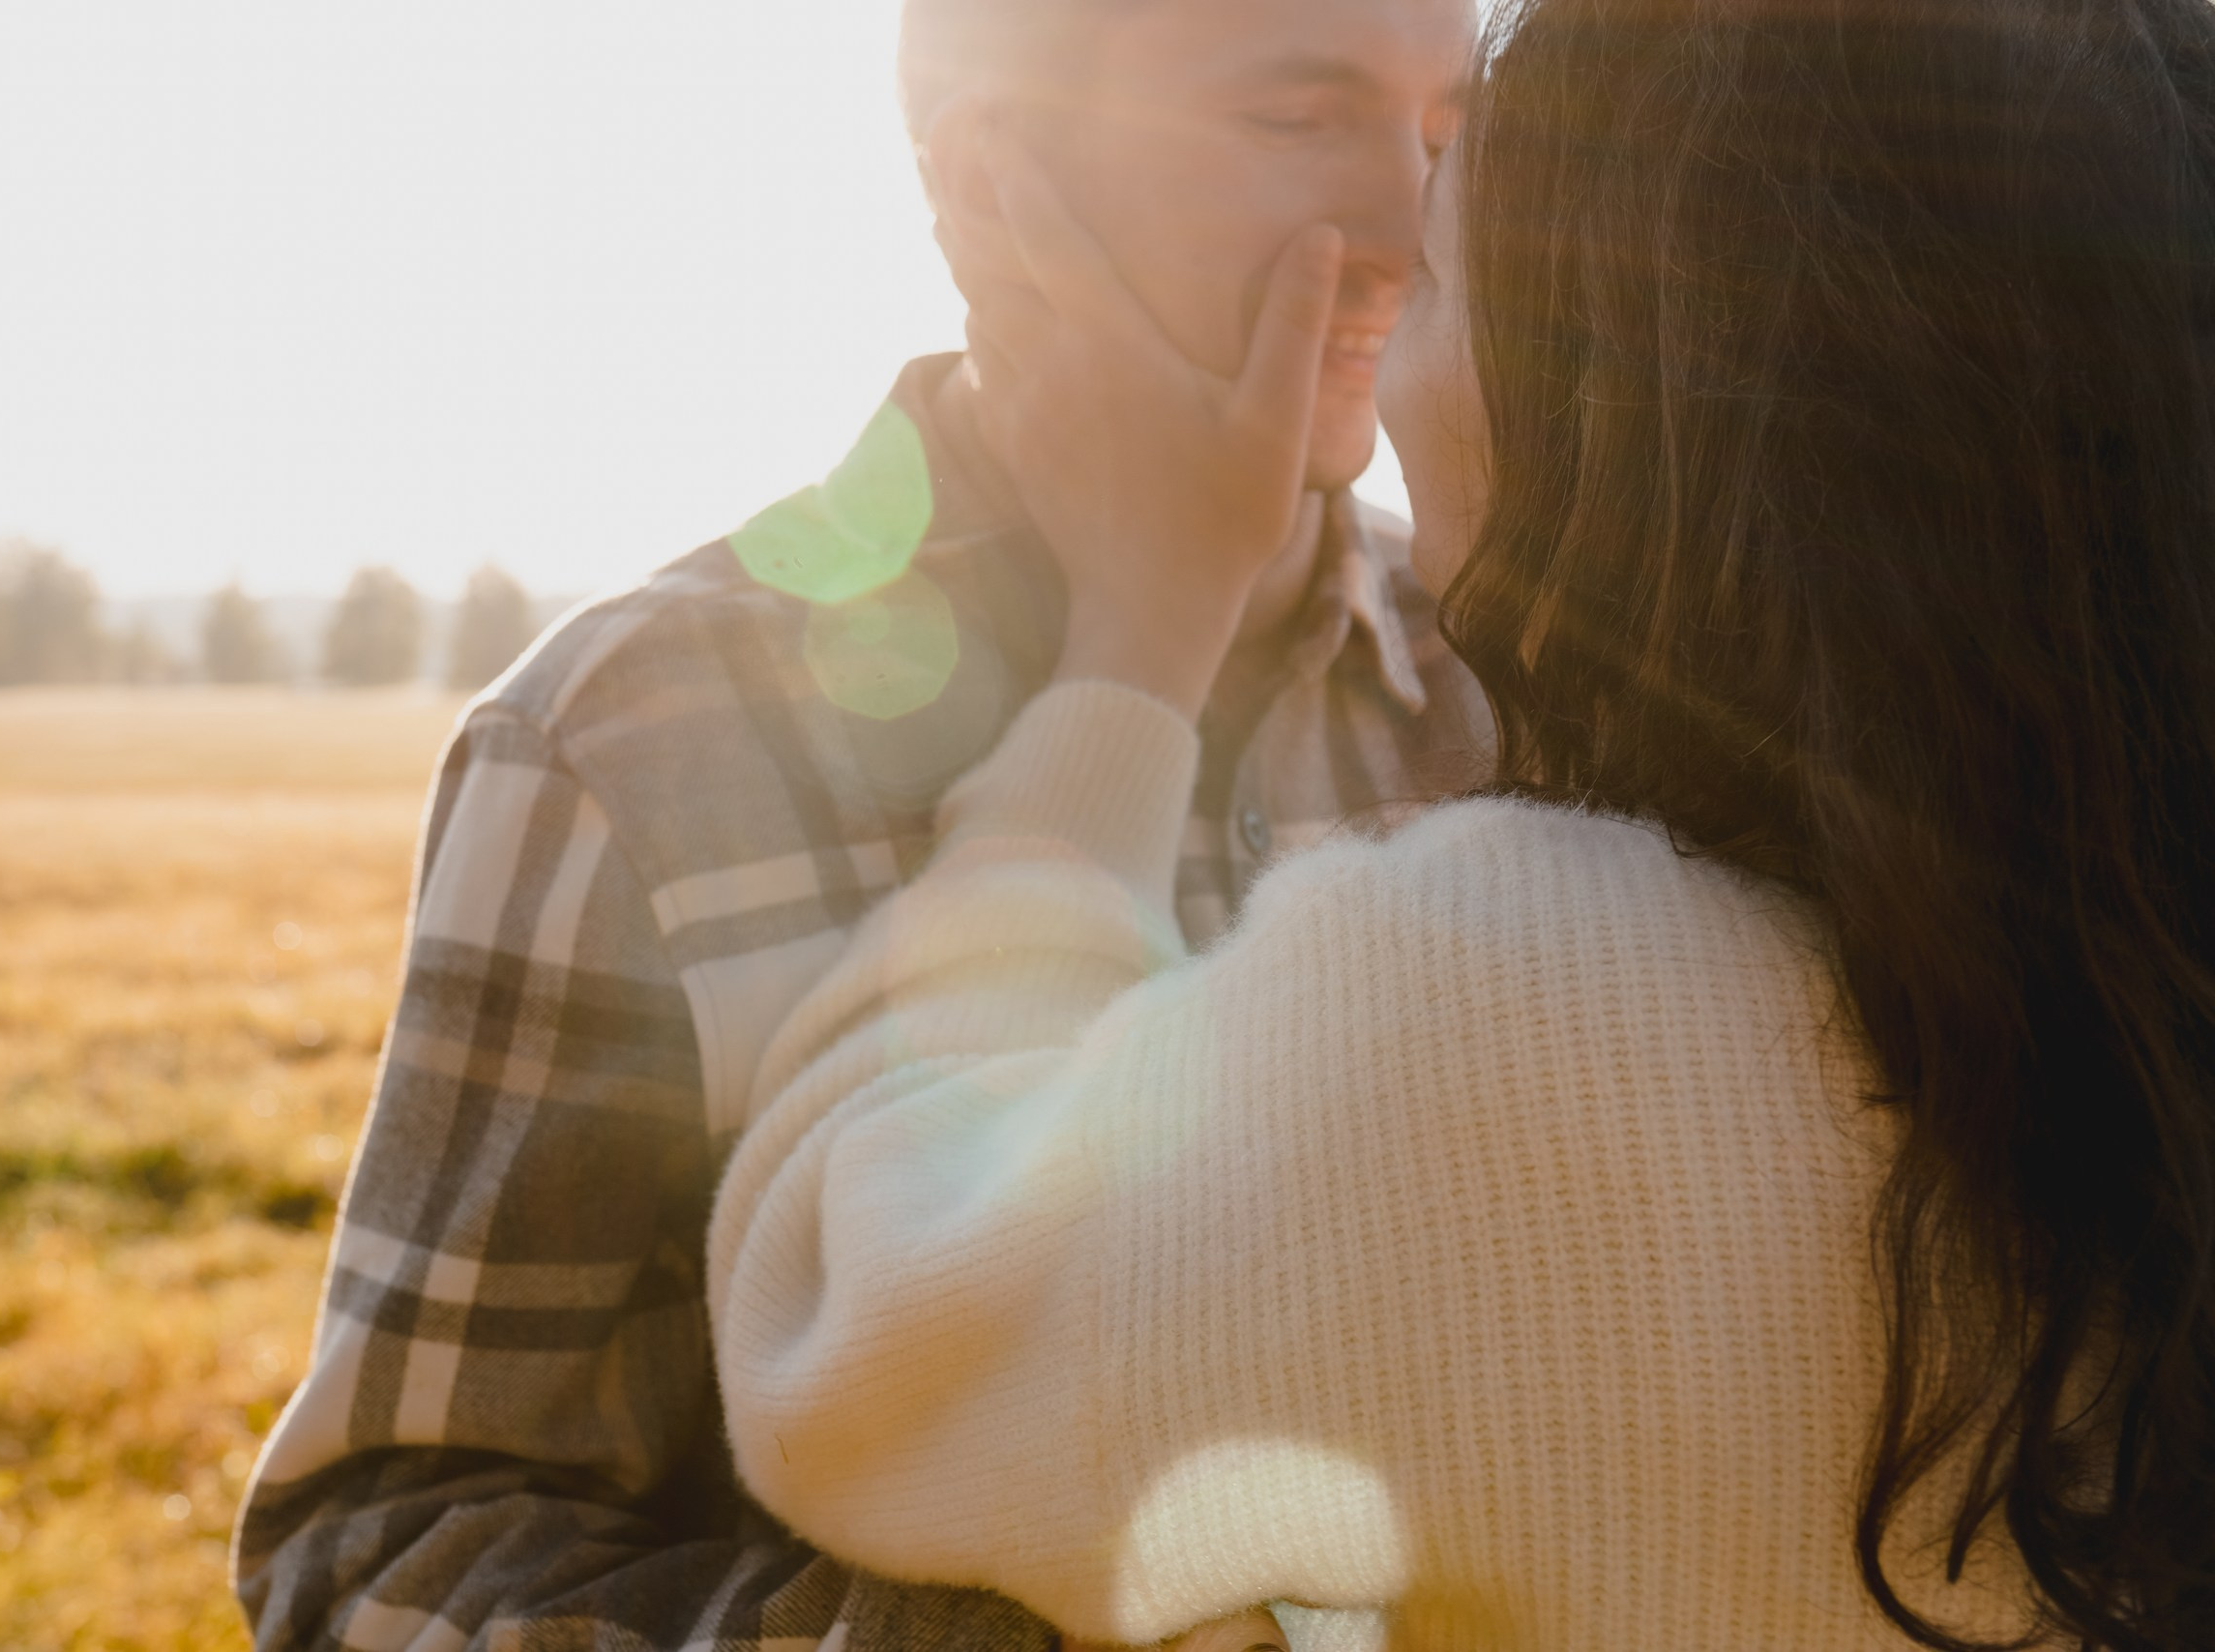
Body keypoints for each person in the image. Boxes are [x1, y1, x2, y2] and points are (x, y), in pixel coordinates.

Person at [706, 0, 2215, 1643]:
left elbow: (849, 1326)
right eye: (1299, 119)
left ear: (1622, 404)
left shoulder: (1508, 1013)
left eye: (1437, 250)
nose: (1369, 252)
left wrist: (1136, 640)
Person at [230, 2, 1485, 1647]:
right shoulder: (624, 738)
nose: (1415, 228)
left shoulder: (1514, 676)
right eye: (1296, 120)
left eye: (1450, 138)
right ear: (993, 179)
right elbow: (372, 1557)